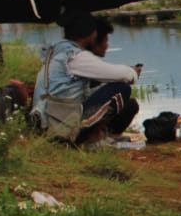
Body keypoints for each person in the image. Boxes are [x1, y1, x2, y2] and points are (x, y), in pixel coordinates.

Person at [31, 11, 141, 145]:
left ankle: (94, 135)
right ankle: (85, 138)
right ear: (91, 34)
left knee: (122, 98)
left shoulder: (59, 52)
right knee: (121, 88)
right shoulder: (75, 56)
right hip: (59, 124)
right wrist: (133, 72)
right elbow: (126, 75)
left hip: (50, 118)